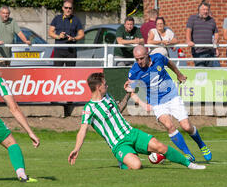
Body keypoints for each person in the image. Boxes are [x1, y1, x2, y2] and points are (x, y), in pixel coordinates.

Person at [68, 72, 205, 170]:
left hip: (132, 133)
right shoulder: (89, 108)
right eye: (105, 84)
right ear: (98, 87)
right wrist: (76, 149)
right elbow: (83, 130)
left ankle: (190, 164)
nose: (107, 86)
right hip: (118, 144)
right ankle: (123, 161)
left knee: (160, 146)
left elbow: (119, 109)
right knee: (136, 166)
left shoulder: (107, 97)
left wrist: (128, 93)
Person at [128, 45, 212, 163]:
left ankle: (202, 145)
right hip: (156, 102)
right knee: (169, 126)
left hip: (171, 95)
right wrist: (143, 104)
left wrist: (179, 74)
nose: (139, 62)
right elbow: (133, 93)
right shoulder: (134, 72)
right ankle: (187, 154)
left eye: (141, 58)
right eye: (136, 59)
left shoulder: (158, 58)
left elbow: (170, 63)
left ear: (147, 54)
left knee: (186, 126)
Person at [49, 1, 85, 67]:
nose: (68, 10)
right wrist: (58, 36)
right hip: (59, 50)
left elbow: (82, 34)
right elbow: (50, 32)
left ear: (72, 9)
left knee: (71, 72)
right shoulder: (57, 18)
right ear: (63, 8)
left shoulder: (76, 20)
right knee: (57, 71)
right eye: (66, 8)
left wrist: (73, 38)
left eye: (70, 8)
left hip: (71, 50)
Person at [186, 2, 220, 67]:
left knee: (211, 73)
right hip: (198, 52)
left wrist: (216, 46)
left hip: (210, 52)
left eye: (207, 10)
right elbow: (188, 31)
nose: (206, 11)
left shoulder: (211, 20)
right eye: (204, 9)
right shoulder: (192, 18)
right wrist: (188, 40)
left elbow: (216, 33)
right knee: (201, 72)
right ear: (199, 10)